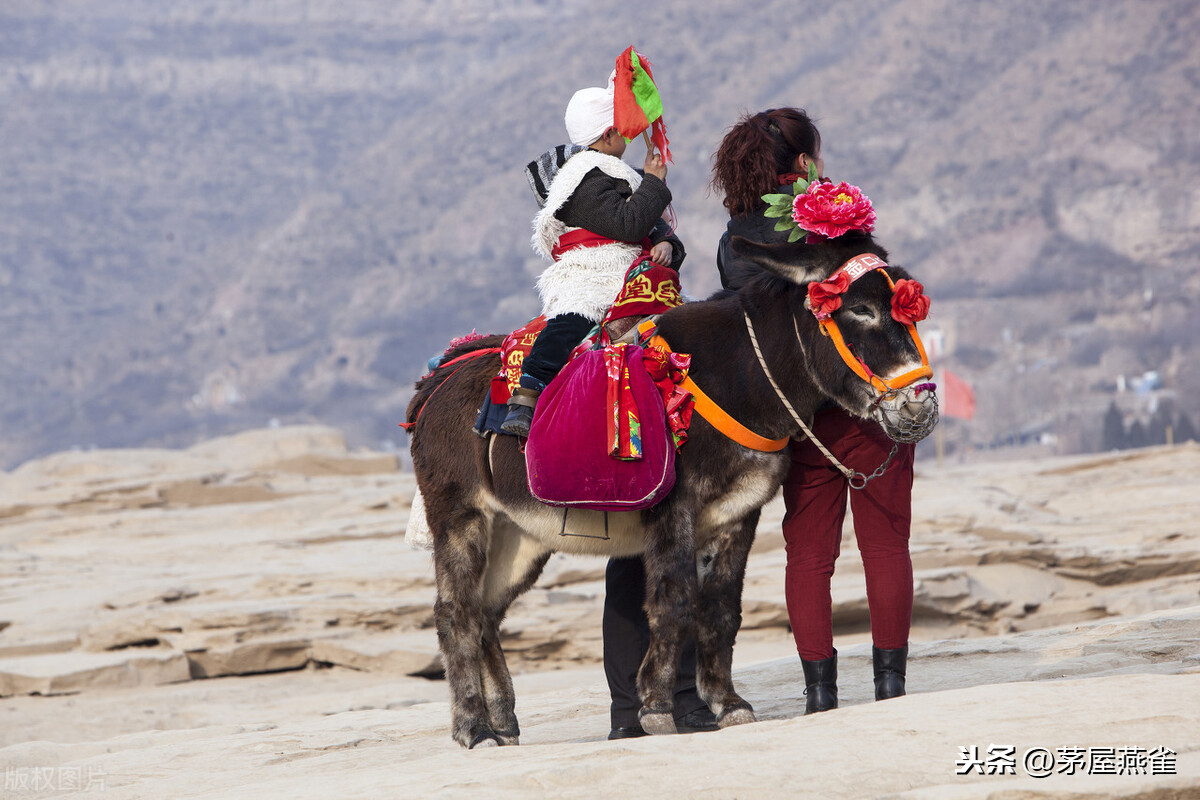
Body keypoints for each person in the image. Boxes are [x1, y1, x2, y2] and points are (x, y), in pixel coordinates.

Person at [711, 108, 916, 713]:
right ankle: (890, 690)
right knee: (884, 545)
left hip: (796, 418)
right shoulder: (831, 223)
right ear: (803, 164)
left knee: (808, 554)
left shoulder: (732, 242)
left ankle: (820, 696)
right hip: (867, 406)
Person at [500, 76, 685, 437]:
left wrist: (669, 245)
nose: (628, 138)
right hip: (592, 270)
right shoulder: (583, 178)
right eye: (622, 131)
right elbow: (629, 224)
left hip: (632, 269)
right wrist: (654, 182)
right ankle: (527, 393)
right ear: (609, 134)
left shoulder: (616, 174)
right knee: (571, 320)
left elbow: (651, 228)